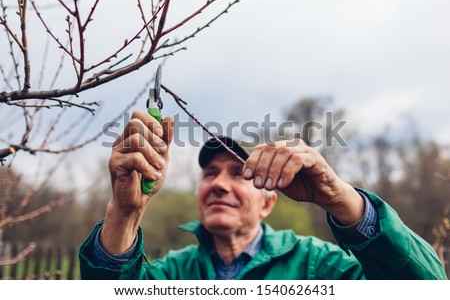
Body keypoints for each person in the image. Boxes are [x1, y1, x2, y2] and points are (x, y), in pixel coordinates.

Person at [79, 110, 447, 279]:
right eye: (209, 174)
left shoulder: (319, 268)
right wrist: (124, 213)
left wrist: (343, 201)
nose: (219, 183)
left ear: (269, 201)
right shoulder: (172, 274)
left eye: (238, 173)